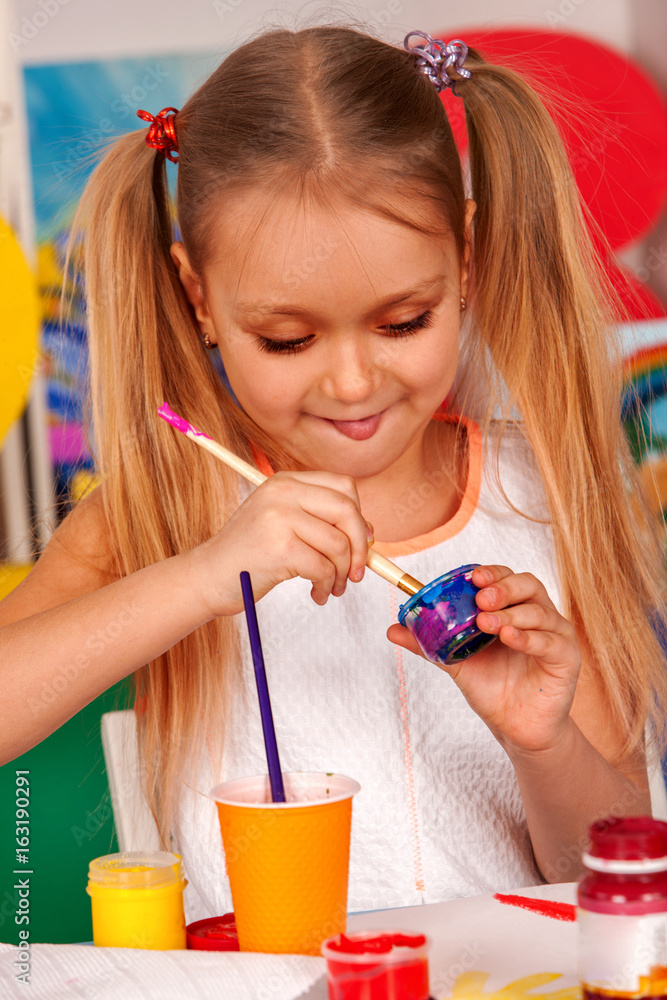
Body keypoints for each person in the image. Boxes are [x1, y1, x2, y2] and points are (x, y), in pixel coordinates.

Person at [1, 24, 666, 920]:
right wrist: (201, 577)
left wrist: (543, 743)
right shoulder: (168, 505)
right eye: (288, 339)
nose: (353, 381)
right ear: (199, 296)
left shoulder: (546, 493)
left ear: (463, 261)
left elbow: (609, 875)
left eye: (401, 322)